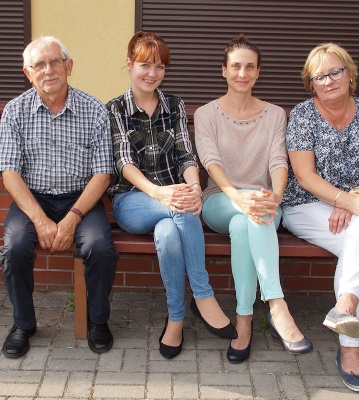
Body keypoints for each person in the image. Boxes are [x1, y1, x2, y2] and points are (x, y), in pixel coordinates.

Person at [106, 31, 237, 360]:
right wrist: (161, 194)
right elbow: (123, 161)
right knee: (179, 205)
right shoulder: (115, 108)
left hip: (173, 206)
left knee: (168, 232)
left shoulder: (174, 105)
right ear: (129, 64)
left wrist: (194, 188)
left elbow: (186, 156)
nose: (152, 73)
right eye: (145, 65)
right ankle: (203, 294)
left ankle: (176, 319)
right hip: (132, 202)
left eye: (160, 67)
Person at [194, 34, 313, 364]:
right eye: (235, 67)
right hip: (221, 200)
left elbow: (278, 160)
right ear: (224, 70)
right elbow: (210, 160)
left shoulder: (275, 115)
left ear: (258, 72)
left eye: (249, 67)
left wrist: (275, 196)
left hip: (263, 204)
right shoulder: (207, 114)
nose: (242, 74)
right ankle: (276, 304)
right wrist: (238, 197)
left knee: (246, 224)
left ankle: (244, 319)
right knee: (245, 214)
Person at [281, 43, 359, 392]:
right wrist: (348, 200)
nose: (328, 81)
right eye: (319, 76)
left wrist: (352, 201)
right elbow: (305, 176)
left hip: (354, 207)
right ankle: (351, 340)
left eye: (335, 71)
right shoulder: (302, 114)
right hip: (305, 206)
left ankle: (346, 311)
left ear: (350, 73)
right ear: (311, 83)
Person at [0, 36, 118, 358]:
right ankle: (23, 324)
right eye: (39, 64)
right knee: (14, 247)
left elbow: (102, 173)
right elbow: (9, 172)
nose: (48, 70)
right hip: (33, 198)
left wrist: (71, 220)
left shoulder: (93, 109)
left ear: (69, 66)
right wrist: (39, 219)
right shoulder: (15, 111)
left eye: (55, 62)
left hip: (81, 199)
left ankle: (98, 321)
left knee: (99, 247)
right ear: (28, 73)